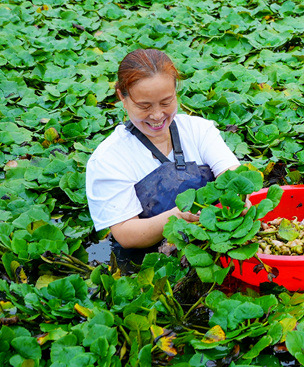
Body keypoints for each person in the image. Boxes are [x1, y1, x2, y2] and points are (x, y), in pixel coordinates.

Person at [86, 49, 240, 260]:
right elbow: (126, 234)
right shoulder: (108, 159)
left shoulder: (199, 130)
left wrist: (239, 198)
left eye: (166, 103)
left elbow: (232, 175)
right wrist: (179, 216)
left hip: (218, 242)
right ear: (122, 96)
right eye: (144, 106)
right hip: (149, 262)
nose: (157, 115)